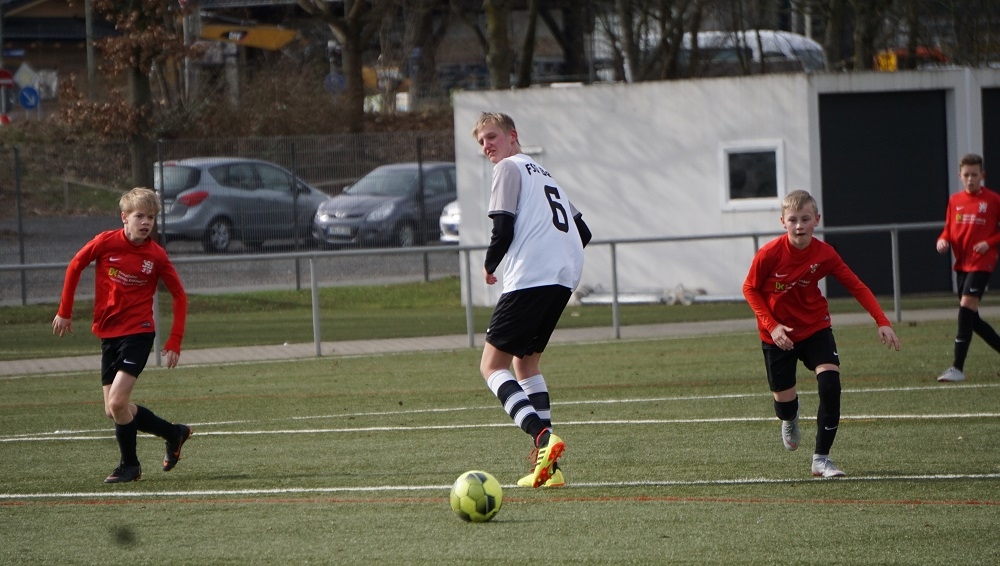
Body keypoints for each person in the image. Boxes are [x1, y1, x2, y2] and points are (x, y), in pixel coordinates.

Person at [471, 112, 592, 488]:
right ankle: (550, 470)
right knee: (526, 364)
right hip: (564, 276)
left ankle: (542, 437)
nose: (487, 146)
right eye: (481, 142)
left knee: (491, 366)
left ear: (513, 136)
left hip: (532, 277)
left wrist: (491, 264)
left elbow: (503, 225)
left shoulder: (508, 168)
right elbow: (583, 231)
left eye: (492, 136)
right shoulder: (544, 174)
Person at [742, 190, 900, 478]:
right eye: (793, 220)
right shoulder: (769, 254)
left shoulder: (825, 254)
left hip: (815, 327)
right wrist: (773, 326)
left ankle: (821, 459)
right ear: (783, 222)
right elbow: (749, 289)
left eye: (805, 219)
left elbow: (856, 286)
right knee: (784, 405)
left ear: (817, 220)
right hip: (777, 335)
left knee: (830, 386)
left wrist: (882, 320)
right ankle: (790, 417)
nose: (799, 225)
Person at [53, 187, 192, 484]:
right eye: (140, 216)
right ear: (124, 217)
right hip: (109, 334)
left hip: (139, 333)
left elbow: (180, 296)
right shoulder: (106, 242)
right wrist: (65, 311)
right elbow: (76, 265)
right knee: (114, 409)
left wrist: (175, 340)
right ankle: (174, 433)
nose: (146, 222)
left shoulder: (156, 255)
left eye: (151, 217)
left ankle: (130, 466)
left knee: (117, 403)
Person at [935, 153, 1000, 382]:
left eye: (974, 174)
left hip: (982, 262)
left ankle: (957, 368)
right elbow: (948, 229)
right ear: (959, 176)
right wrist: (942, 240)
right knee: (973, 320)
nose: (970, 179)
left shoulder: (993, 200)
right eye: (966, 175)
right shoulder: (955, 200)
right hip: (962, 264)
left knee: (965, 310)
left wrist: (989, 243)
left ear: (982, 175)